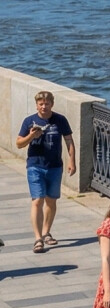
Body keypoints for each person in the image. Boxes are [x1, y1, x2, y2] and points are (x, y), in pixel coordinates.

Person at [17, 90, 76, 254]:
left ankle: (46, 232)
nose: (44, 107)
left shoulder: (60, 120)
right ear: (36, 105)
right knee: (37, 200)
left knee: (51, 201)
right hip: (35, 165)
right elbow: (19, 144)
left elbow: (69, 140)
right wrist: (31, 136)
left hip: (55, 166)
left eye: (47, 104)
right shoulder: (29, 121)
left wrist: (72, 161)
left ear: (52, 104)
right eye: (41, 104)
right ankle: (38, 239)